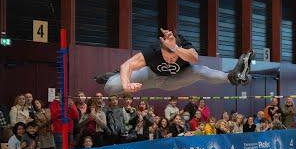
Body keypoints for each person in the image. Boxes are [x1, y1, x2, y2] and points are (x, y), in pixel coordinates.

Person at [95, 29, 254, 95]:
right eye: (167, 57)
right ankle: (116, 76)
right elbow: (127, 65)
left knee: (198, 70)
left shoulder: (183, 46)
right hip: (150, 76)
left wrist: (176, 49)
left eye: (173, 58)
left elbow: (194, 58)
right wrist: (126, 85)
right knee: (110, 87)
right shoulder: (154, 50)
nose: (171, 60)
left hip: (173, 80)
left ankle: (232, 77)